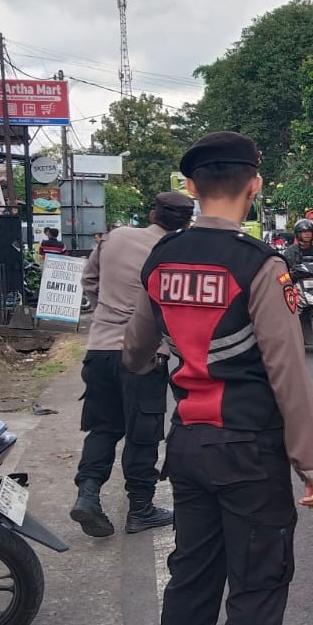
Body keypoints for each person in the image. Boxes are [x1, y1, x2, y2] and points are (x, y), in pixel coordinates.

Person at [123, 130, 313, 625]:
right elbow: (286, 370)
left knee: (190, 579)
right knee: (258, 585)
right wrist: (310, 462)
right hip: (248, 452)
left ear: (190, 187)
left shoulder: (162, 258)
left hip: (188, 445)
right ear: (255, 184)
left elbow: (134, 351)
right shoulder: (260, 264)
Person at [69, 191, 194, 538]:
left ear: (153, 213)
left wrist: (107, 311)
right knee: (143, 434)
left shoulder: (117, 236)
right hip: (144, 355)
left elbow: (89, 281)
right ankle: (140, 509)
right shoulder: (178, 252)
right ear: (186, 222)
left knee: (104, 427)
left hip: (99, 349)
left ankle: (88, 494)